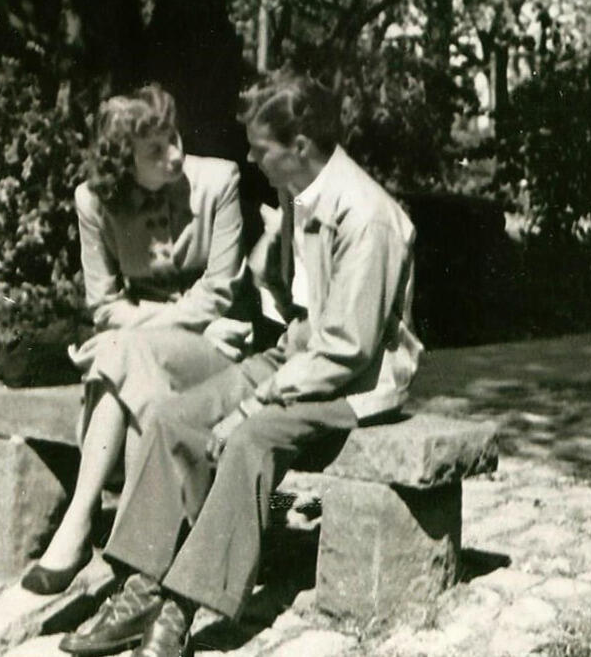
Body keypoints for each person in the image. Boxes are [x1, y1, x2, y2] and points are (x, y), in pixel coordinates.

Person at [57, 71, 423, 657]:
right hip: (299, 355)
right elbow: (294, 303)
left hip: (355, 383)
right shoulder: (300, 190)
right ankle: (138, 588)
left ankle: (181, 609)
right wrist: (267, 266)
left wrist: (256, 400)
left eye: (260, 147)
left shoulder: (367, 216)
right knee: (175, 419)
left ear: (298, 147)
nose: (250, 158)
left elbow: (348, 350)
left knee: (250, 439)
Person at [21, 84, 252, 596]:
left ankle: (81, 524)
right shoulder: (93, 201)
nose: (175, 155)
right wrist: (138, 329)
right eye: (155, 151)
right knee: (131, 362)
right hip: (137, 355)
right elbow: (102, 303)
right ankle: (131, 553)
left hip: (211, 346)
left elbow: (217, 294)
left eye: (175, 139)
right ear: (123, 161)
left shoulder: (219, 182)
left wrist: (138, 326)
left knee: (120, 352)